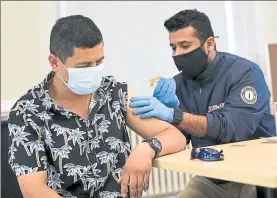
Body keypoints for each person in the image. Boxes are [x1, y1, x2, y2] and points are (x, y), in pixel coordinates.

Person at [7, 15, 187, 198]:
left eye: (99, 62)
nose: (94, 71)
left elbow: (175, 137)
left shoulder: (114, 94)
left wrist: (146, 149)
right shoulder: (28, 112)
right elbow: (34, 190)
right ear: (54, 63)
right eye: (84, 65)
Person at [130, 9, 276, 198]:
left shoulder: (245, 73)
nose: (178, 54)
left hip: (257, 174)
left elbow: (231, 127)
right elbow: (180, 138)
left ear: (209, 44)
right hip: (212, 176)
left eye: (184, 45)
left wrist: (174, 114)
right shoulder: (179, 84)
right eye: (173, 48)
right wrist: (166, 122)